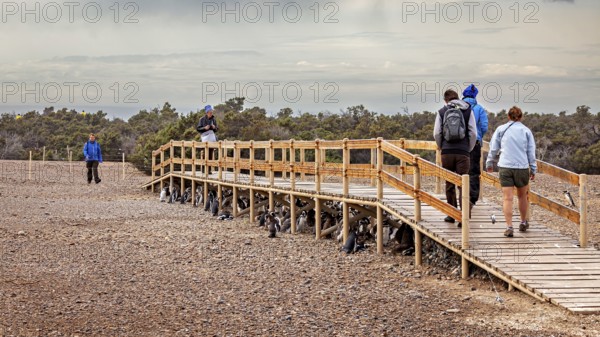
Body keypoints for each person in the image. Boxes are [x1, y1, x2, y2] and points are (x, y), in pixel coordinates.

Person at [486, 106, 536, 237]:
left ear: (508, 116)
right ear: (521, 117)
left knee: (507, 198)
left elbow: (493, 148)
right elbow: (531, 152)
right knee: (522, 196)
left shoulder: (501, 129)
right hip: (522, 167)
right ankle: (523, 222)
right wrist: (533, 168)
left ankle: (509, 227)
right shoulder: (526, 131)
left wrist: (489, 162)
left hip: (505, 166)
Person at [433, 89, 477, 227]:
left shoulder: (441, 111)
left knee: (449, 184)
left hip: (447, 152)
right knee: (463, 184)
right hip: (463, 151)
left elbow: (437, 133)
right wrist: (468, 149)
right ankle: (463, 217)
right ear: (458, 98)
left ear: (446, 100)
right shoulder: (468, 110)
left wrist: (442, 147)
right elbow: (473, 132)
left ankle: (451, 214)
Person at [462, 84, 488, 207]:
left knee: (461, 169)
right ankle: (472, 198)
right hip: (475, 143)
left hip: (461, 143)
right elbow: (484, 126)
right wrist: (478, 136)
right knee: (473, 170)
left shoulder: (458, 107)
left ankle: (461, 195)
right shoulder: (479, 108)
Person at [196, 105, 218, 173]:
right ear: (206, 112)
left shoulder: (213, 119)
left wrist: (214, 127)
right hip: (204, 138)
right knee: (205, 154)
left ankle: (209, 170)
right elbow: (198, 129)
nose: (211, 113)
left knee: (211, 153)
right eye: (209, 112)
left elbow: (216, 129)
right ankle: (203, 169)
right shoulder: (201, 119)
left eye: (211, 111)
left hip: (211, 138)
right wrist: (204, 128)